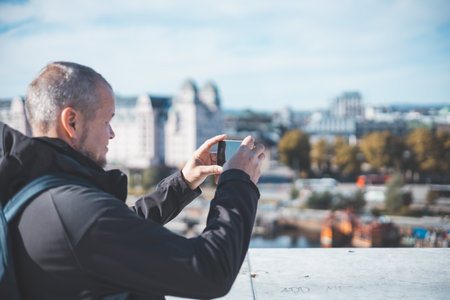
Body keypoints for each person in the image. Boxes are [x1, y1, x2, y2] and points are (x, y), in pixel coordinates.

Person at [0, 61, 265, 299]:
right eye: (107, 120)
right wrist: (237, 181)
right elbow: (211, 271)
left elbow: (120, 228)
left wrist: (183, 182)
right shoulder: (74, 212)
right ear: (72, 122)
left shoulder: (36, 191)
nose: (112, 133)